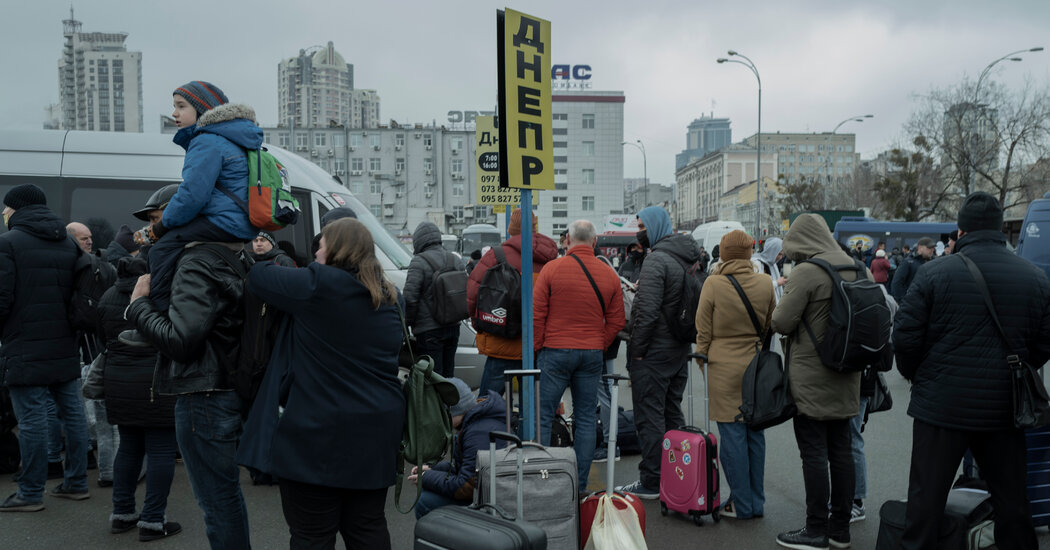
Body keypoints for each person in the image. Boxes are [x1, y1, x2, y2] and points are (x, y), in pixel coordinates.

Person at [894, 192, 1050, 550]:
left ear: (960, 232)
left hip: (940, 408)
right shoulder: (1034, 277)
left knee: (925, 505)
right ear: (999, 230)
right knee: (1013, 505)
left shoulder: (934, 273)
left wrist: (919, 375)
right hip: (1003, 409)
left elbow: (904, 336)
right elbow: (1044, 342)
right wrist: (1016, 368)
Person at [237, 217, 404, 549]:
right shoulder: (391, 297)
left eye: (321, 246)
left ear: (337, 250)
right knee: (367, 529)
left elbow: (259, 276)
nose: (316, 252)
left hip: (316, 438)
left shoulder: (318, 285)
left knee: (312, 535)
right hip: (375, 435)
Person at [125, 213, 251, 547]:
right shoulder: (232, 255)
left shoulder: (197, 262)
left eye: (159, 220)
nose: (157, 230)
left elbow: (181, 341)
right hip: (222, 389)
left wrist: (138, 306)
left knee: (217, 501)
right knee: (225, 496)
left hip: (203, 395)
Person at [121, 81, 260, 347]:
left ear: (202, 109)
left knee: (161, 250)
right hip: (239, 222)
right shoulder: (232, 140)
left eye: (181, 106)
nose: (174, 113)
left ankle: (159, 320)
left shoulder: (206, 140)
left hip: (223, 221)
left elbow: (192, 196)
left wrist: (160, 229)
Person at [771, 213, 865, 550]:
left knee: (813, 453)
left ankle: (815, 529)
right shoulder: (857, 266)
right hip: (848, 371)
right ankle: (840, 530)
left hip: (811, 376)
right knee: (842, 452)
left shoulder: (807, 272)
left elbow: (781, 322)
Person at [0, 184, 92, 511]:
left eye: (6, 208)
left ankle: (30, 492)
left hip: (25, 346)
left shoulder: (8, 243)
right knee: (73, 415)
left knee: (33, 421)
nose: (3, 213)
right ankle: (77, 482)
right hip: (66, 344)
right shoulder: (68, 243)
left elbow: (2, 300)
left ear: (18, 209)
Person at [616, 206, 702, 499]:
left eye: (641, 225)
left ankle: (652, 480)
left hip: (653, 354)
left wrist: (637, 352)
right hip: (679, 350)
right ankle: (679, 475)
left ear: (653, 226)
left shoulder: (657, 261)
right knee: (671, 414)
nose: (638, 231)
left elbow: (648, 314)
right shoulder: (689, 259)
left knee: (649, 418)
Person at [534, 220, 625, 488]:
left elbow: (537, 315)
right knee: (586, 417)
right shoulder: (609, 275)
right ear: (594, 242)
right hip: (591, 354)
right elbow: (617, 320)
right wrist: (598, 342)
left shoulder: (552, 270)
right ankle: (580, 484)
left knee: (543, 415)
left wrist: (541, 346)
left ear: (567, 241)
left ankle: (541, 481)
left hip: (555, 351)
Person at [98, 253, 182, 541]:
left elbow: (100, 335)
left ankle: (122, 514)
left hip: (118, 381)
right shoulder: (161, 294)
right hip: (155, 380)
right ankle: (152, 520)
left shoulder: (108, 294)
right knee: (160, 451)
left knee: (129, 447)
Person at [695, 230, 775, 520]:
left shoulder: (713, 283)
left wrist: (704, 361)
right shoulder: (765, 282)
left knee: (732, 437)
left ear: (724, 253)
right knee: (755, 433)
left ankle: (740, 503)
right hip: (755, 366)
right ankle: (756, 502)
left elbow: (703, 329)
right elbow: (769, 323)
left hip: (722, 365)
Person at [467, 209, 558, 396]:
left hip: (501, 343)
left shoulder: (495, 256)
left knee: (488, 405)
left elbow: (473, 294)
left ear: (511, 229)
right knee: (534, 409)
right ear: (535, 227)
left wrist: (480, 324)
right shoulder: (551, 258)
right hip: (537, 347)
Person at [411, 378, 506, 519]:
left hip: (491, 501)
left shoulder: (476, 433)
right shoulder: (476, 422)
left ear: (452, 411)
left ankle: (440, 540)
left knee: (425, 502)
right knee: (428, 492)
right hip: (489, 493)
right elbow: (466, 468)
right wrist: (433, 469)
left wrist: (426, 477)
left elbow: (466, 487)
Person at [405, 221, 466, 379]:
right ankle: (450, 405)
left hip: (429, 331)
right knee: (448, 376)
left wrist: (407, 324)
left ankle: (436, 405)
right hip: (454, 327)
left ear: (418, 241)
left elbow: (410, 298)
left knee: (432, 379)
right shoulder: (455, 260)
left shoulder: (418, 262)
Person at [890, 237, 935, 301]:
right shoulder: (908, 262)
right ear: (920, 247)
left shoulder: (934, 262)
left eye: (933, 248)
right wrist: (902, 300)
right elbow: (897, 282)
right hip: (912, 303)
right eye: (929, 248)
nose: (932, 250)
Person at [754, 237, 786, 303]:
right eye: (779, 254)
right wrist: (777, 283)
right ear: (772, 251)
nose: (780, 257)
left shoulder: (772, 263)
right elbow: (758, 286)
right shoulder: (757, 263)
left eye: (782, 254)